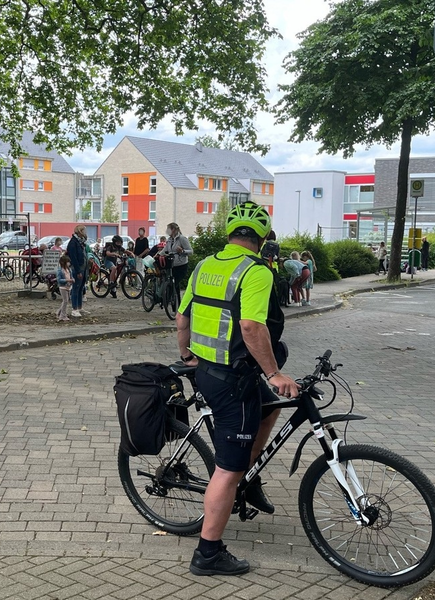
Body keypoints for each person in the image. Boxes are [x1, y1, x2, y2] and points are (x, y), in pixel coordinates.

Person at [176, 201, 298, 576]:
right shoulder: (256, 271)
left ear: (230, 234)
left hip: (208, 371)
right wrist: (275, 373)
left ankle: (249, 472)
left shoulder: (204, 265)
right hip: (232, 381)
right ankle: (208, 554)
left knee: (271, 406)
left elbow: (182, 316)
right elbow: (250, 327)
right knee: (226, 470)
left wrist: (186, 355)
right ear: (261, 239)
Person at [161, 223, 193, 289]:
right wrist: (157, 255)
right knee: (174, 285)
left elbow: (191, 251)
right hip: (172, 265)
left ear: (173, 229)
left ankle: (168, 298)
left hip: (181, 266)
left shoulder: (182, 238)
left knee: (174, 284)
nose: (167, 231)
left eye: (168, 229)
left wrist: (182, 251)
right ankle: (176, 298)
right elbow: (165, 250)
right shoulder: (169, 240)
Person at [67, 225, 88, 318]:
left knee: (81, 288)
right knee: (76, 288)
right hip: (77, 268)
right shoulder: (73, 243)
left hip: (83, 267)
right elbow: (74, 258)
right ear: (79, 231)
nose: (85, 233)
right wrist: (78, 270)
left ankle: (80, 307)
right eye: (84, 231)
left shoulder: (80, 242)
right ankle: (74, 309)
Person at [55, 254, 73, 321]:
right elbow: (59, 280)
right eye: (68, 262)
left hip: (69, 286)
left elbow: (71, 276)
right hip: (63, 287)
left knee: (66, 301)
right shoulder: (60, 271)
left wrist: (72, 280)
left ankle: (59, 312)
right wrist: (67, 280)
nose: (69, 263)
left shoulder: (69, 269)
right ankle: (63, 315)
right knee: (65, 301)